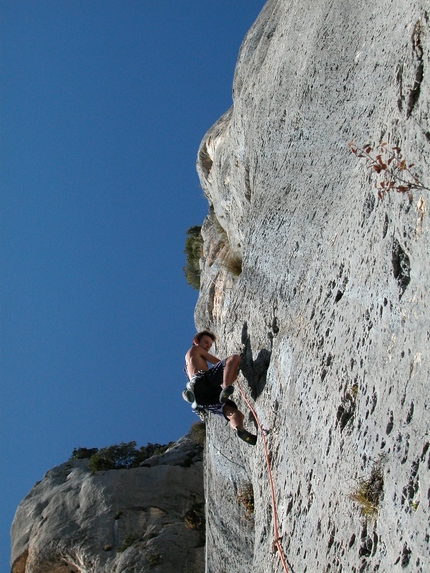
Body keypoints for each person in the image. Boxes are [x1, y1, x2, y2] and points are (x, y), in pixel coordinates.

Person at [183, 330, 257, 445]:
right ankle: (226, 388)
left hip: (201, 399)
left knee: (234, 413)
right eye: (206, 342)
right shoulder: (195, 349)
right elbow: (218, 362)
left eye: (210, 345)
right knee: (234, 359)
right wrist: (234, 365)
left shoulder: (188, 364)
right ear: (196, 341)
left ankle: (240, 429)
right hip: (203, 381)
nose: (208, 346)